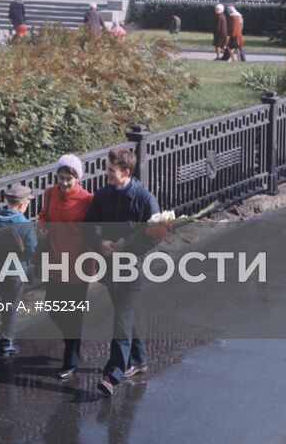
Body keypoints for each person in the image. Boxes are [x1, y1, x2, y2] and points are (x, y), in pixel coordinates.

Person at [85, 147, 161, 396]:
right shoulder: (103, 195)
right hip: (110, 269)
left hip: (131, 270)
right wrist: (100, 244)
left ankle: (114, 373)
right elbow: (89, 226)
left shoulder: (144, 198)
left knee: (121, 321)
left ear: (126, 172)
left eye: (110, 170)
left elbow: (157, 232)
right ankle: (139, 360)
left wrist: (128, 245)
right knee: (123, 316)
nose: (105, 173)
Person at [38, 154, 94, 378]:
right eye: (60, 177)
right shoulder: (49, 194)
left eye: (68, 179)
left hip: (78, 264)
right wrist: (41, 226)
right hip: (54, 260)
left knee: (73, 313)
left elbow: (93, 230)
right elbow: (44, 215)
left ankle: (71, 360)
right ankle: (73, 339)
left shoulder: (87, 199)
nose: (63, 183)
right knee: (53, 307)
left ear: (77, 179)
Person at [0, 183, 37, 356]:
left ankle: (4, 334)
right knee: (11, 305)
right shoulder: (24, 224)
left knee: (5, 301)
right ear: (22, 204)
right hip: (15, 270)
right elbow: (31, 249)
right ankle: (7, 341)